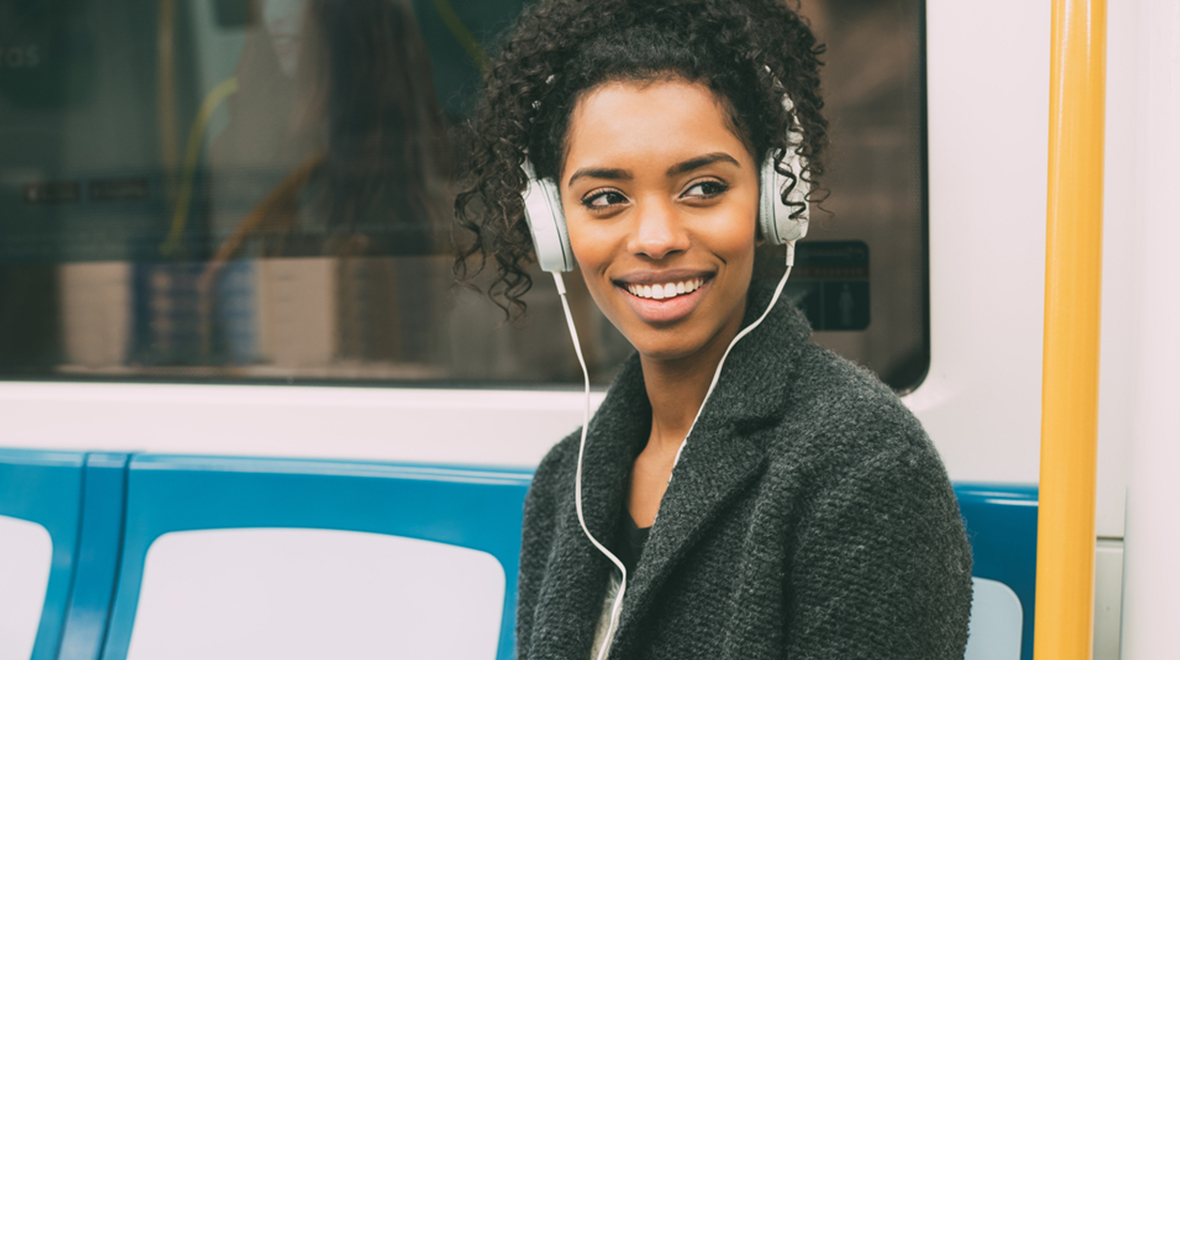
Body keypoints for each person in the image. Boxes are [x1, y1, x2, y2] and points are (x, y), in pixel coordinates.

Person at [455, 0, 972, 659]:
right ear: (555, 229)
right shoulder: (567, 483)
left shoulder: (863, 463)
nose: (656, 239)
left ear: (772, 200)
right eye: (606, 199)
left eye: (702, 187)